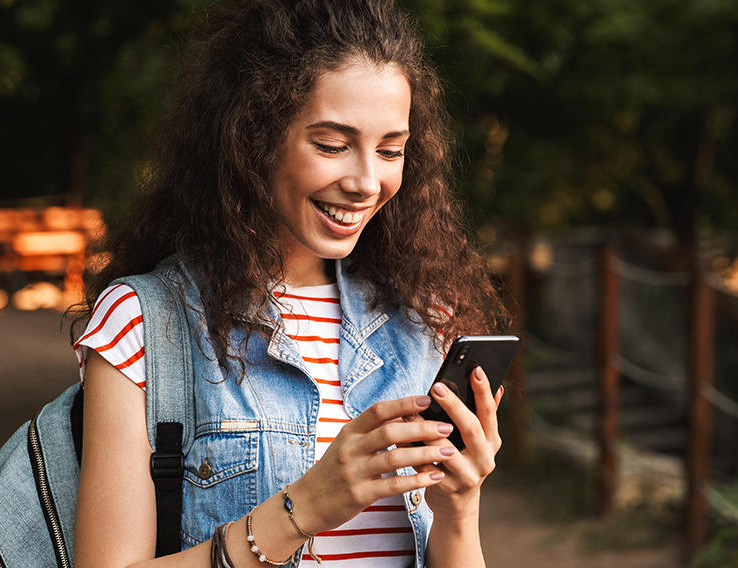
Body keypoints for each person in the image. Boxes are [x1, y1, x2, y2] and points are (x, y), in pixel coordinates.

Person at [70, 0, 507, 566]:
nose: (366, 182)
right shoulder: (142, 326)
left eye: (390, 150)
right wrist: (307, 506)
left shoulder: (425, 324)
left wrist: (459, 507)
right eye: (331, 145)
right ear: (253, 138)